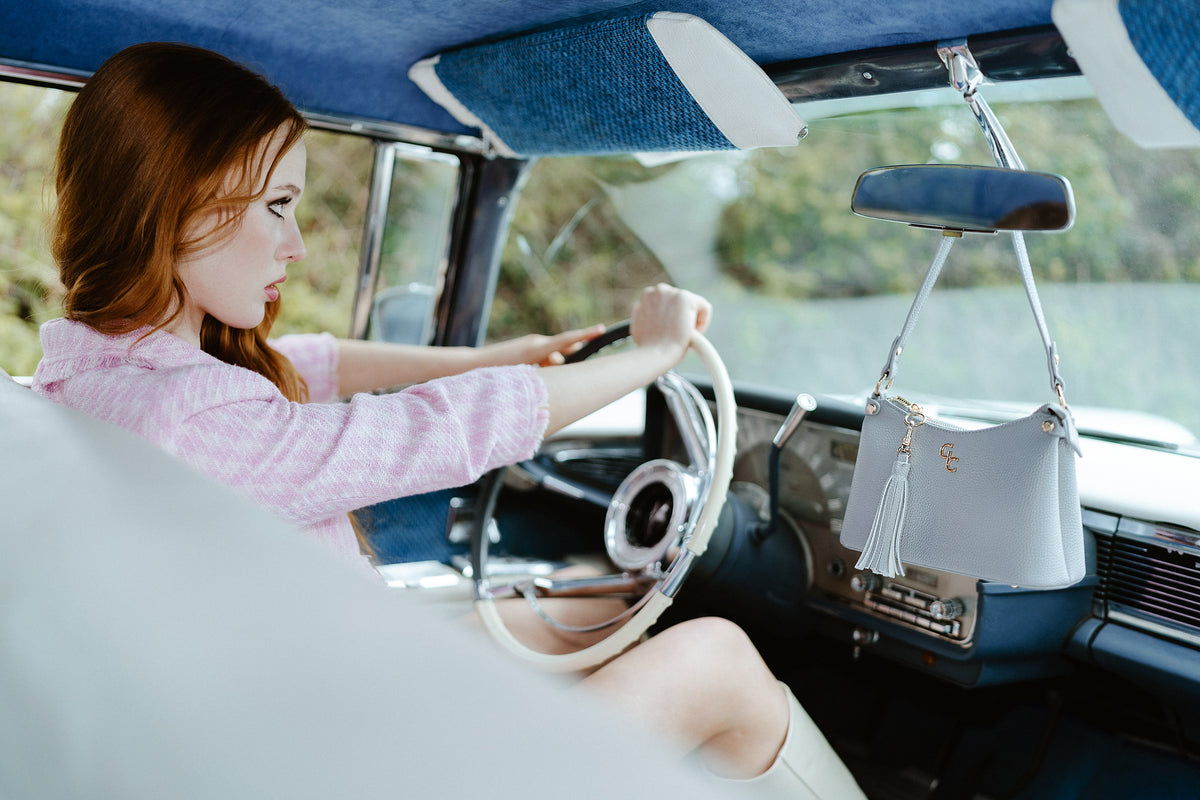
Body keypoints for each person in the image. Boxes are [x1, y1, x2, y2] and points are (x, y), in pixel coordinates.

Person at [32, 42, 865, 799]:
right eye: (277, 204)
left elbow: (312, 365)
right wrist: (648, 359)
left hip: (302, 714)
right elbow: (439, 431)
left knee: (585, 605)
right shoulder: (195, 423)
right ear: (185, 204)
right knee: (715, 659)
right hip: (358, 764)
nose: (296, 246)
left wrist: (502, 353)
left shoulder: (84, 377)